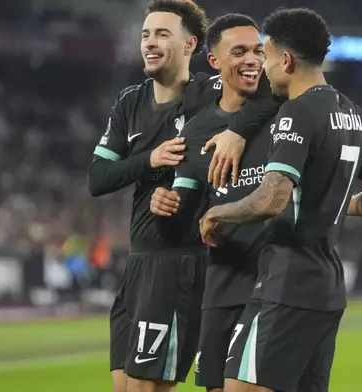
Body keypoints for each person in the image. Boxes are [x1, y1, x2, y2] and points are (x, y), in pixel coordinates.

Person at [198, 8, 362, 392]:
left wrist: (218, 213)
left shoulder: (296, 112)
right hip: (328, 290)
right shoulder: (355, 115)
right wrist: (330, 204)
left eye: (267, 57)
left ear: (285, 60)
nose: (263, 68)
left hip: (285, 285)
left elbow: (271, 199)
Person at [87, 2, 275, 392]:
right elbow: (98, 178)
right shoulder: (130, 102)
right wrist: (149, 159)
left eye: (162, 34)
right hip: (139, 259)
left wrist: (237, 131)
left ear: (190, 45)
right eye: (145, 35)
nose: (150, 43)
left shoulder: (211, 92)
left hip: (180, 258)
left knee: (147, 387)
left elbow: (269, 91)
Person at [148, 14, 278, 392]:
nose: (252, 59)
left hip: (275, 285)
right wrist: (165, 207)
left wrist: (238, 132)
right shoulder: (197, 132)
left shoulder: (286, 112)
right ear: (214, 61)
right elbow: (182, 220)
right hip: (222, 286)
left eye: (258, 50)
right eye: (239, 52)